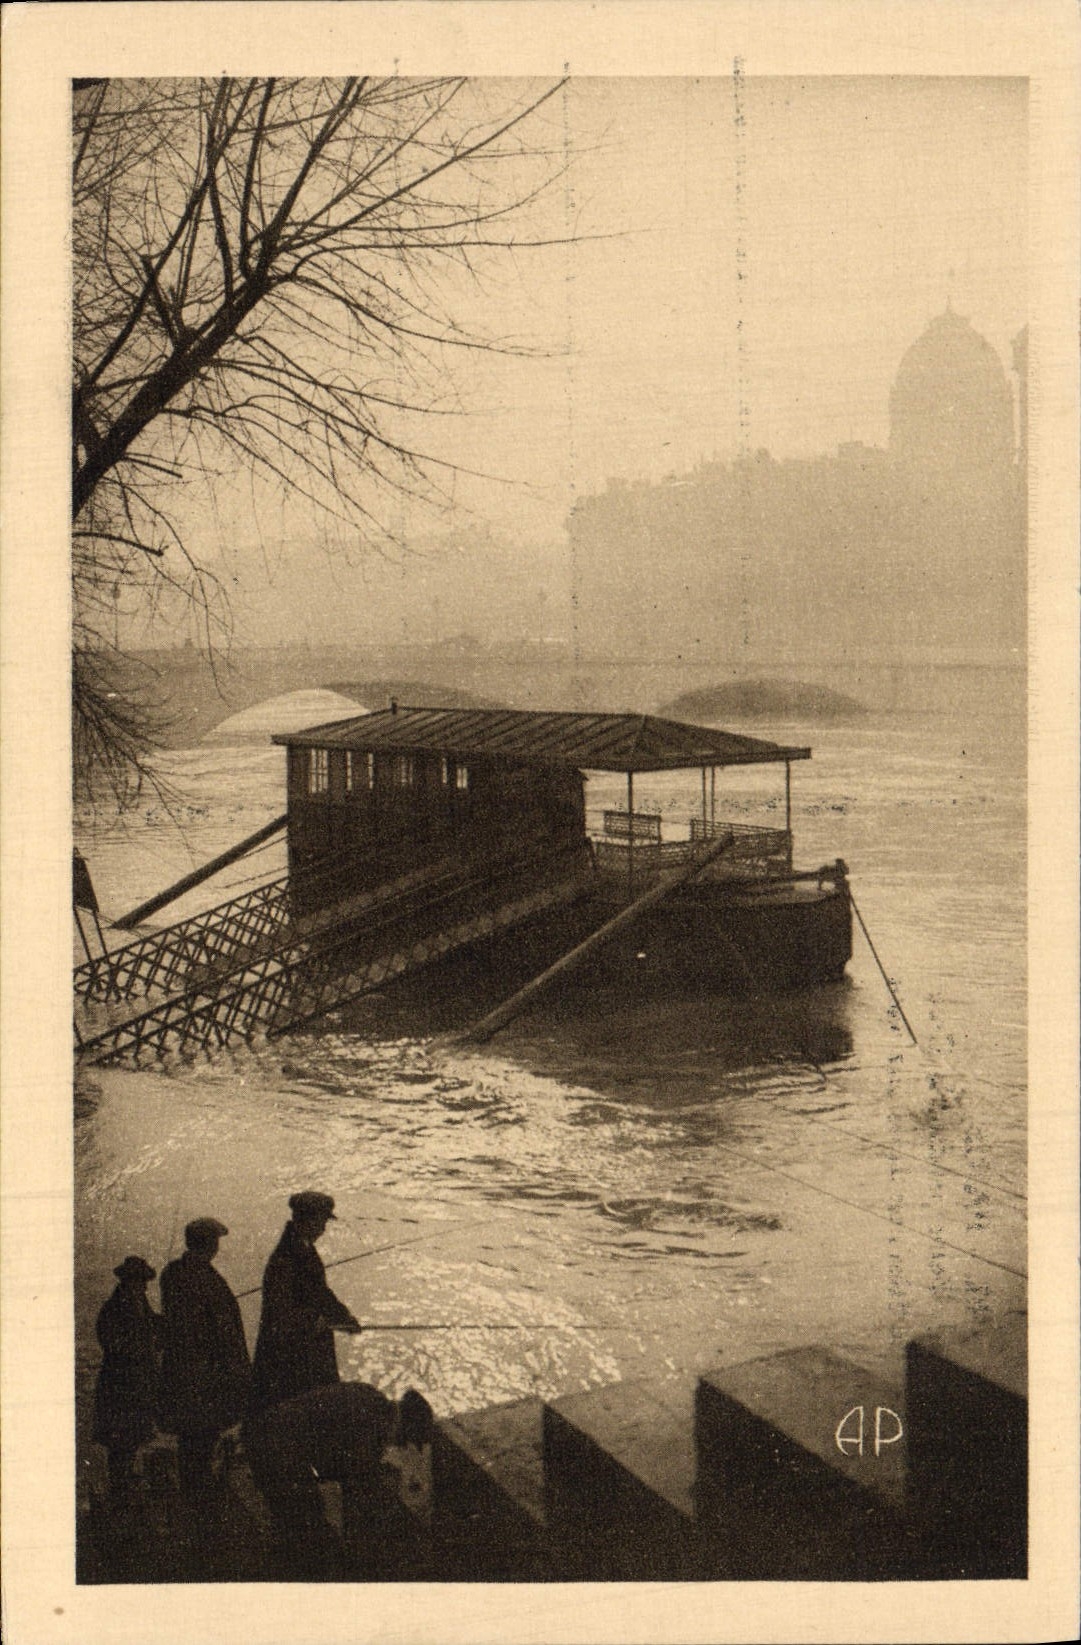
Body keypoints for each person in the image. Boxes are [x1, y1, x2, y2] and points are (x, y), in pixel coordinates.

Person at [241, 1382, 434, 1579]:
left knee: (310, 1521)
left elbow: (333, 1461)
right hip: (274, 1450)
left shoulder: (369, 1394)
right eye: (403, 1440)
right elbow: (354, 1481)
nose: (395, 1445)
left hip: (262, 1429)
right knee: (311, 1535)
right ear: (403, 1426)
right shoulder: (375, 1424)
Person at [157, 1217, 252, 1492]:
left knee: (193, 1431)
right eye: (215, 1241)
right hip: (205, 1372)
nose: (217, 1247)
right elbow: (217, 1329)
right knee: (201, 1430)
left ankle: (196, 1483)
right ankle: (198, 1489)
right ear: (209, 1244)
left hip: (184, 1369)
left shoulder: (174, 1272)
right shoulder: (204, 1277)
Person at [249, 1191, 361, 1415]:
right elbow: (280, 1310)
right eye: (321, 1221)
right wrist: (314, 1321)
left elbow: (320, 1293)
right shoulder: (285, 1258)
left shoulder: (303, 1248)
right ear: (307, 1220)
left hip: (306, 1347)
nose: (323, 1228)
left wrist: (343, 1318)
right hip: (290, 1354)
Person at [92, 1256, 162, 1497]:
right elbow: (113, 1343)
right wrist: (142, 1347)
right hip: (120, 1386)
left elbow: (151, 1323)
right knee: (121, 1438)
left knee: (129, 1437)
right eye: (140, 1282)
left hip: (133, 1385)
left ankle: (124, 1480)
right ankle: (119, 1487)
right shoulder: (114, 1308)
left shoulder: (137, 1301)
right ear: (128, 1281)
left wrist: (161, 1325)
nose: (144, 1287)